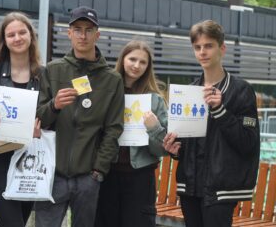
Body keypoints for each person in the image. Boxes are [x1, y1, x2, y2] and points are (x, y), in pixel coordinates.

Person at [162, 20, 260, 227]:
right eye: (197, 47)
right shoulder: (189, 92)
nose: (202, 52)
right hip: (190, 185)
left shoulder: (241, 90)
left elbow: (248, 143)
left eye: (208, 46)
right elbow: (188, 144)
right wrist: (175, 150)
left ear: (222, 48)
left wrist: (220, 111)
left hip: (221, 189)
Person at [35, 6, 124, 227]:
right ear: (69, 33)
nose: (82, 35)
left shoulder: (112, 80)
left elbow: (114, 128)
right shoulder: (52, 71)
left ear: (97, 35)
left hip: (88, 177)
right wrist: (54, 106)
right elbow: (37, 119)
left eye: (88, 30)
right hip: (52, 174)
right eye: (77, 29)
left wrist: (98, 170)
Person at [0, 11, 42, 227]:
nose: (17, 38)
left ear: (31, 35)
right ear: (4, 40)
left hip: (30, 161)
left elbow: (52, 116)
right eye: (11, 34)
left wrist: (42, 128)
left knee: (20, 221)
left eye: (22, 32)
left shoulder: (44, 75)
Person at [95, 40, 168, 227]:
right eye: (132, 59)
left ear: (148, 67)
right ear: (122, 59)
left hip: (140, 177)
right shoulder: (106, 92)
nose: (136, 66)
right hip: (107, 174)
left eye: (142, 62)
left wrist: (154, 128)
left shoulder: (155, 100)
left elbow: (162, 150)